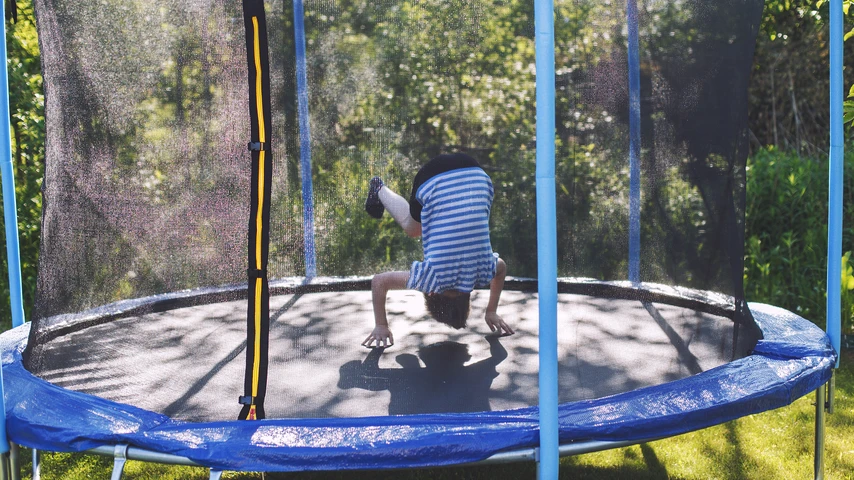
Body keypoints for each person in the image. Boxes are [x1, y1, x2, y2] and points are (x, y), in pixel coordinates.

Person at [361, 153, 514, 348]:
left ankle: (381, 190)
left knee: (429, 224)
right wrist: (381, 325)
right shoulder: (433, 281)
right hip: (432, 178)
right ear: (431, 294)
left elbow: (501, 269)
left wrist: (491, 310)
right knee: (413, 229)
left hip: (476, 173)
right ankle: (379, 189)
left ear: (467, 297)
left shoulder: (483, 272)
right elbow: (379, 282)